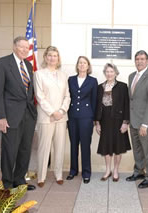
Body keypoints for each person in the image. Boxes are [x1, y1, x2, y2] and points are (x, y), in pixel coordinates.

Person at [0, 36, 37, 190]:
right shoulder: (3, 63)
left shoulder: (28, 65)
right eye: (21, 47)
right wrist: (1, 117)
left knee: (25, 149)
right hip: (11, 116)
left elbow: (29, 92)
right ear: (14, 47)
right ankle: (7, 182)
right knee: (10, 149)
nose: (25, 50)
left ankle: (19, 180)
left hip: (28, 115)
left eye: (27, 47)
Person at [34, 46, 71, 188]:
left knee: (59, 147)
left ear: (58, 58)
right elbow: (40, 96)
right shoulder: (39, 74)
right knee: (44, 147)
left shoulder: (63, 75)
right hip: (46, 116)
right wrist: (52, 112)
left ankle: (58, 174)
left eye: (55, 55)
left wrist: (61, 111)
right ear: (45, 57)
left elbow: (67, 95)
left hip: (61, 116)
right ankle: (41, 176)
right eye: (49, 55)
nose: (52, 58)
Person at [126, 50, 148, 189]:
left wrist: (145, 123)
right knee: (137, 150)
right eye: (137, 59)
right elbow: (132, 99)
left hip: (145, 122)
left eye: (142, 59)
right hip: (133, 121)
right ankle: (138, 172)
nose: (139, 61)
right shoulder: (131, 76)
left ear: (147, 61)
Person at [95, 63, 131, 182]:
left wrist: (125, 122)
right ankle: (107, 170)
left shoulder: (122, 86)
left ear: (116, 73)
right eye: (107, 72)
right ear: (105, 73)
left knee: (118, 147)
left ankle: (115, 170)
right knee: (106, 146)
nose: (109, 74)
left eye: (111, 71)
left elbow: (126, 105)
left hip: (118, 121)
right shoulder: (100, 87)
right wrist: (97, 123)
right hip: (104, 121)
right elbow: (97, 106)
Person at [67, 56, 98, 184]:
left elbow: (94, 100)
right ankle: (73, 170)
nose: (82, 65)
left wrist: (95, 119)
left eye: (84, 63)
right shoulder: (70, 79)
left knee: (85, 145)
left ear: (88, 66)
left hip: (86, 117)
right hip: (73, 116)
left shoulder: (92, 81)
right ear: (77, 65)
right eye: (80, 63)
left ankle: (86, 172)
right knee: (73, 144)